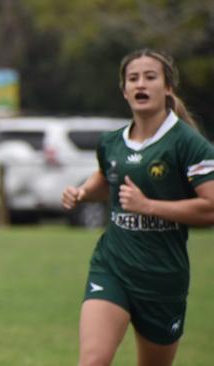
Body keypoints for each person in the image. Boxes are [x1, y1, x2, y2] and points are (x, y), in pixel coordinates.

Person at [62, 48, 214, 366]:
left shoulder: (188, 143)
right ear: (124, 90)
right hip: (112, 267)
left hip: (162, 278)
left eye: (150, 77)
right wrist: (81, 192)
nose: (140, 84)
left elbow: (211, 207)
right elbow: (107, 179)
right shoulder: (111, 142)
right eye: (133, 78)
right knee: (92, 361)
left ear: (168, 88)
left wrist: (149, 206)